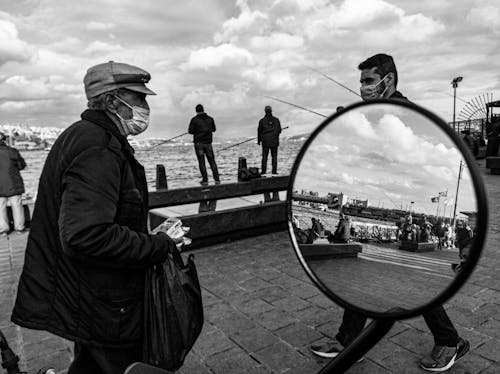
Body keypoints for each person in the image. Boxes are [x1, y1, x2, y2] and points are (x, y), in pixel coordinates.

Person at [11, 61, 181, 374]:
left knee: (89, 366)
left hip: (89, 299)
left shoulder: (88, 136)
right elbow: (86, 234)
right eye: (140, 99)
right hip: (104, 304)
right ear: (115, 101)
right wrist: (159, 245)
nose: (145, 106)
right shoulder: (97, 147)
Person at [310, 53, 470, 372]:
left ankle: (449, 341)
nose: (363, 87)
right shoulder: (379, 111)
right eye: (361, 81)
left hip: (415, 184)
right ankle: (349, 340)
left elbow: (403, 142)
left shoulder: (402, 110)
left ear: (389, 81)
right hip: (403, 183)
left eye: (369, 81)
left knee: (420, 294)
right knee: (371, 292)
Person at [0, 132, 27, 235]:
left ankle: (3, 230)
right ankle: (19, 228)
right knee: (17, 206)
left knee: (0, 208)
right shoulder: (12, 151)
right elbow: (21, 165)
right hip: (13, 183)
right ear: (4, 140)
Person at [188, 104, 220, 186]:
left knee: (201, 162)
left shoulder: (194, 120)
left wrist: (197, 130)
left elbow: (190, 131)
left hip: (199, 144)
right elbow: (214, 129)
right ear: (203, 109)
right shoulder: (210, 119)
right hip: (208, 144)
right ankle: (217, 180)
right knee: (212, 161)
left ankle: (205, 180)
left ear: (196, 111)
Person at [257, 105, 282, 175]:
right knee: (274, 157)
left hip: (265, 142)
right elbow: (279, 130)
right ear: (271, 111)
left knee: (264, 157)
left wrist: (259, 141)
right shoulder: (276, 120)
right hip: (274, 142)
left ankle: (263, 172)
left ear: (265, 111)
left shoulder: (262, 121)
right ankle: (274, 172)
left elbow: (259, 131)